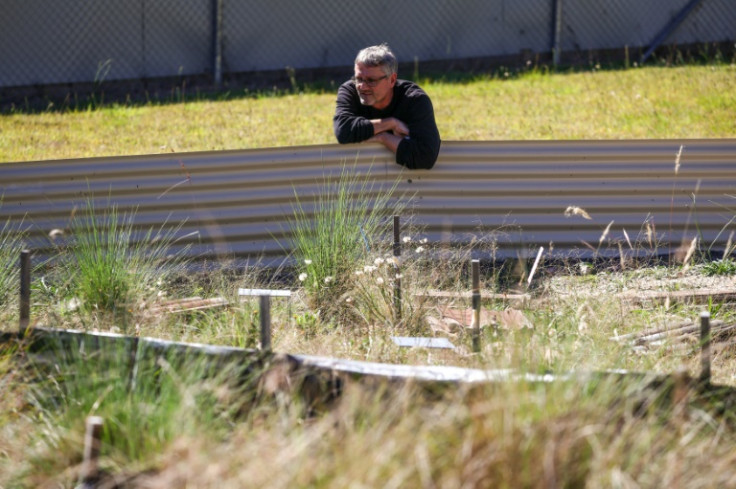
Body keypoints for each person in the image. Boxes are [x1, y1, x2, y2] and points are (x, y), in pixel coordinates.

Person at [333, 43, 441, 170]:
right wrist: (391, 123)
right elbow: (343, 131)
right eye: (358, 79)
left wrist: (383, 137)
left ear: (392, 80)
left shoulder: (414, 100)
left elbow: (425, 158)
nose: (362, 86)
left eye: (371, 80)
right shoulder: (349, 91)